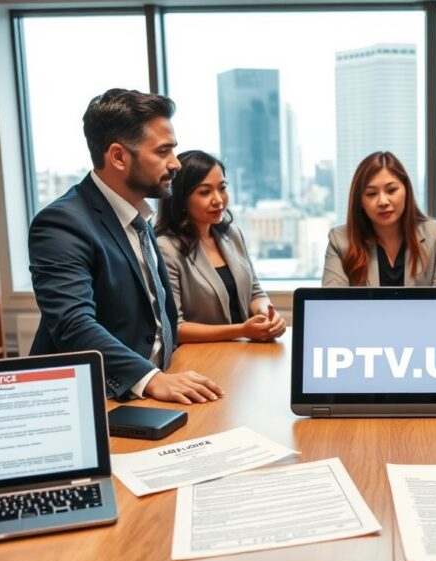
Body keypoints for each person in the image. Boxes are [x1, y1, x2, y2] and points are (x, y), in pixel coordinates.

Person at [29, 89, 223, 405]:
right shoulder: (61, 223)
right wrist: (152, 379)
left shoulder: (138, 216)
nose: (175, 163)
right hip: (97, 399)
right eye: (163, 152)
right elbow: (73, 324)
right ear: (118, 156)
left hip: (149, 391)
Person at [156, 151, 286, 342]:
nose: (218, 199)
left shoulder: (231, 234)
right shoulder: (166, 248)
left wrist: (267, 314)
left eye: (222, 188)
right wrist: (241, 330)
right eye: (205, 192)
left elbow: (255, 293)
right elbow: (176, 328)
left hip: (243, 352)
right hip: (202, 359)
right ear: (181, 198)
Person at [322, 151, 436, 287]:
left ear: (406, 191)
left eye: (391, 190)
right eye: (371, 193)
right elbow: (332, 304)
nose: (383, 201)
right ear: (360, 201)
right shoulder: (339, 241)